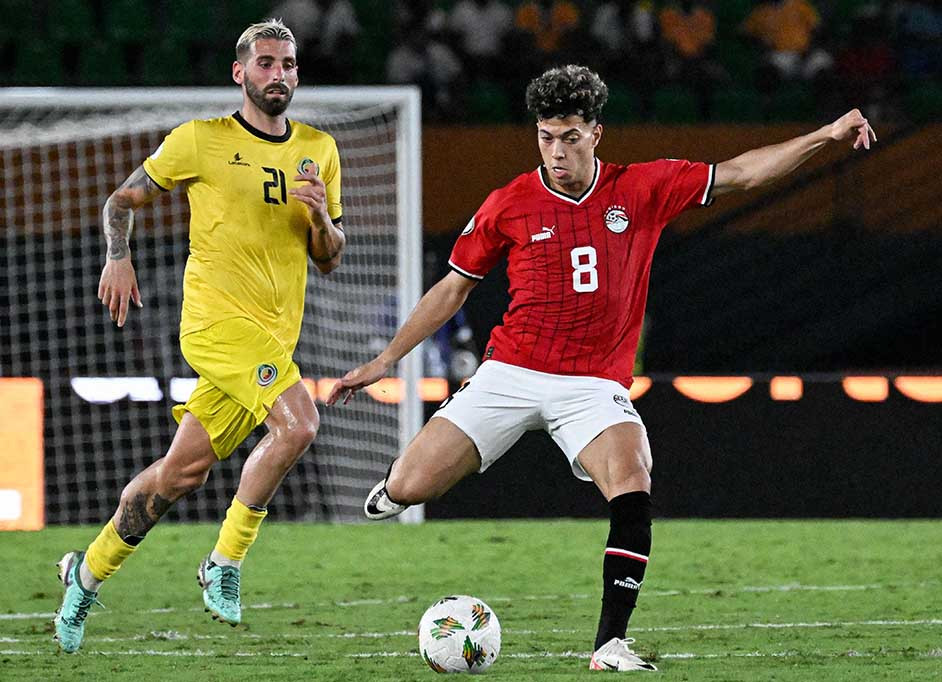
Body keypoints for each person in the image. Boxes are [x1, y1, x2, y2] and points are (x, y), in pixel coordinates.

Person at [328, 64, 874, 671]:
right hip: (510, 372)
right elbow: (452, 291)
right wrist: (384, 361)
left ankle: (609, 643)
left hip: (592, 385)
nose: (556, 151)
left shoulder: (642, 187)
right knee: (412, 486)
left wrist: (824, 136)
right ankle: (394, 486)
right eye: (545, 137)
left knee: (634, 476)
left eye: (568, 136)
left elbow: (743, 173)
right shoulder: (508, 203)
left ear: (596, 133)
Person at [53, 19, 346, 653]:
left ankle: (87, 572)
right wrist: (117, 256)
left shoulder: (319, 149)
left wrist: (321, 216)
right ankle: (226, 561)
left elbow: (329, 257)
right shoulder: (200, 141)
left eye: (289, 64)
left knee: (178, 475)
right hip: (214, 325)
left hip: (272, 340)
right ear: (240, 74)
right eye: (266, 63)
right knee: (299, 425)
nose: (279, 75)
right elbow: (121, 201)